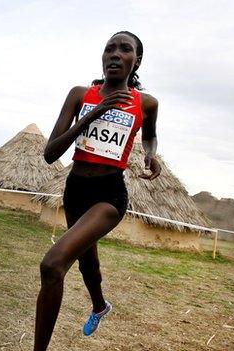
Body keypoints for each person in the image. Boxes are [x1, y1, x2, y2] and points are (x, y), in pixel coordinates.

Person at [35, 31, 161, 351]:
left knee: (52, 265)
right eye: (109, 49)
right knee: (86, 261)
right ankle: (100, 306)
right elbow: (51, 153)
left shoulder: (146, 103)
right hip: (75, 189)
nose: (115, 54)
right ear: (102, 58)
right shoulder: (80, 95)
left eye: (125, 49)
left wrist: (149, 155)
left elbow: (149, 137)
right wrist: (93, 113)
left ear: (137, 61)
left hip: (109, 194)